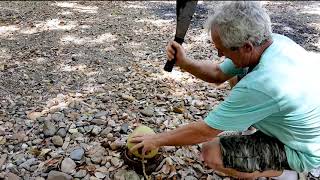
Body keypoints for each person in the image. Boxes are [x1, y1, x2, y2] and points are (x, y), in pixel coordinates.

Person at [130, 1, 320, 179]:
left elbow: (205, 130)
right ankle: (255, 129)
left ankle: (287, 172)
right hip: (300, 125)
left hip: (303, 149)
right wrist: (184, 63)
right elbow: (218, 73)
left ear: (246, 47)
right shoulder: (273, 42)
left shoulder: (262, 84)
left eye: (222, 50)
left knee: (211, 153)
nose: (219, 54)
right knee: (236, 77)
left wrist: (156, 140)